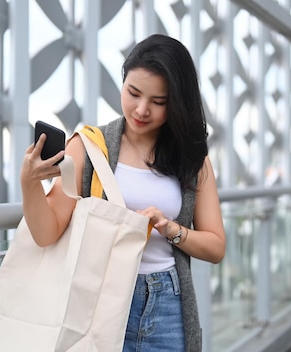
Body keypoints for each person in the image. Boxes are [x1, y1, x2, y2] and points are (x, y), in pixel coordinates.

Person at [20, 34, 226, 352]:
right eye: (133, 93)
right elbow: (47, 233)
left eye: (159, 102)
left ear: (177, 103)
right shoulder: (89, 147)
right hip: (98, 303)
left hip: (169, 305)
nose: (142, 110)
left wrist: (171, 229)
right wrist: (29, 183)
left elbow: (215, 247)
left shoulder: (192, 160)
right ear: (123, 82)